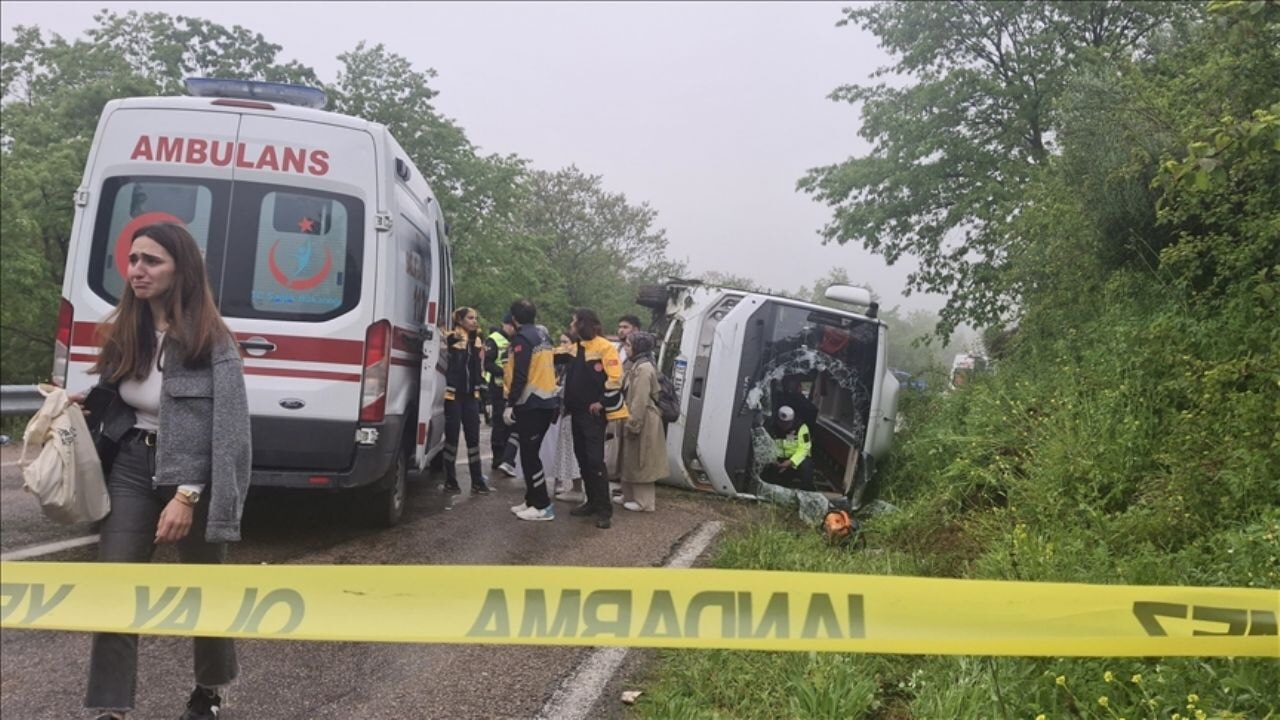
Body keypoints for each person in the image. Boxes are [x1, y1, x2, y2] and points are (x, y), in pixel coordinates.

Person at [80, 222, 251, 720]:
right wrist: (80, 405)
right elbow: (121, 399)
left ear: (181, 270)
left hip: (191, 475)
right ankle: (110, 707)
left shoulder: (213, 339)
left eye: (151, 261)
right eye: (134, 260)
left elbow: (230, 430)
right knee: (116, 585)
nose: (138, 270)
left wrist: (189, 493)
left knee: (205, 587)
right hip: (132, 465)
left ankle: (209, 690)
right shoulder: (124, 329)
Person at [563, 308, 629, 529]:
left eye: (574, 322)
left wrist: (602, 401)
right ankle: (590, 502)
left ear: (583, 324)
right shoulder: (575, 348)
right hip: (576, 411)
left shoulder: (605, 347)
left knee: (594, 460)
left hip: (594, 414)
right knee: (582, 458)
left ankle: (604, 510)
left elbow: (615, 378)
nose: (571, 326)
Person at [503, 299, 560, 521]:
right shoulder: (542, 335)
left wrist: (511, 404)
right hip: (545, 401)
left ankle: (542, 505)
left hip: (532, 403)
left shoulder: (522, 338)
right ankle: (531, 499)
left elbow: (520, 374)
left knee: (529, 455)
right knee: (528, 452)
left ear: (514, 318)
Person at [443, 307, 490, 495]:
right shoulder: (453, 337)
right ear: (460, 320)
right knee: (452, 439)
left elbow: (479, 367)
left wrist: (481, 387)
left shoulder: (477, 340)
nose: (474, 321)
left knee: (473, 440)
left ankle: (477, 481)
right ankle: (450, 480)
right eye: (470, 318)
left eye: (475, 318)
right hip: (453, 396)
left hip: (471, 396)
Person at [617, 331, 666, 511]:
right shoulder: (638, 365)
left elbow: (640, 399)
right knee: (632, 456)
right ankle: (630, 496)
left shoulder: (644, 369)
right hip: (638, 416)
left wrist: (633, 422)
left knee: (642, 459)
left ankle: (645, 502)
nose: (626, 348)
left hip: (644, 418)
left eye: (629, 345)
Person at [484, 315, 518, 475]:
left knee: (510, 424)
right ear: (505, 324)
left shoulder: (516, 338)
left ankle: (507, 458)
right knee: (499, 424)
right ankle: (498, 458)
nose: (513, 328)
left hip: (512, 389)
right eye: (511, 325)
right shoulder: (494, 339)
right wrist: (505, 372)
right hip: (498, 388)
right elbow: (488, 364)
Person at [551, 333, 582, 500]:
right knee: (563, 450)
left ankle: (577, 489)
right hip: (562, 410)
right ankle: (563, 483)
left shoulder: (575, 362)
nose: (562, 345)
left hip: (571, 411)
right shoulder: (562, 363)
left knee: (572, 451)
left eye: (565, 342)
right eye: (560, 341)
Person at [767, 405, 815, 491]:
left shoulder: (801, 428)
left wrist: (791, 462)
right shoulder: (770, 426)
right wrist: (771, 459)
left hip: (795, 460)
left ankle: (806, 491)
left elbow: (804, 448)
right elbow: (764, 444)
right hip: (776, 459)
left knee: (806, 466)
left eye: (787, 423)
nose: (784, 426)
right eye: (782, 423)